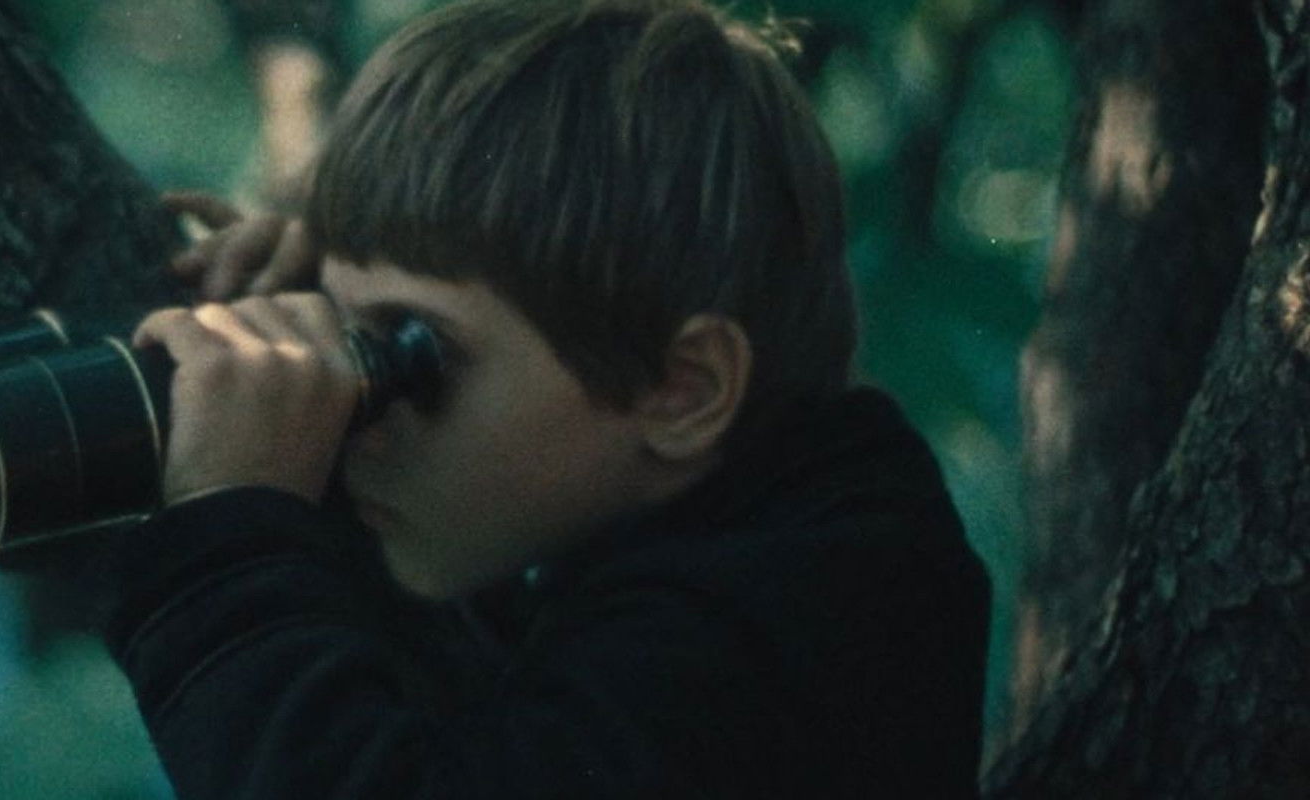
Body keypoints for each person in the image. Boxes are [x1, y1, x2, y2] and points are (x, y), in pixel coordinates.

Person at [110, 0, 991, 796]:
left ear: (683, 389)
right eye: (348, 334)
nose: (361, 416)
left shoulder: (786, 630)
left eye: (413, 354)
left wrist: (231, 533)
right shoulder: (738, 531)